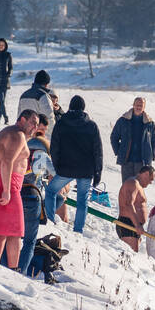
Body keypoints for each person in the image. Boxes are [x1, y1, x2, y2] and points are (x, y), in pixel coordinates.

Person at [0, 109, 40, 267]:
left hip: (1, 181)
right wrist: (7, 191)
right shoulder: (17, 135)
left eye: (37, 124)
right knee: (14, 231)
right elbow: (7, 162)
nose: (35, 127)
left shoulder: (11, 132)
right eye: (33, 122)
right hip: (6, 183)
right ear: (22, 120)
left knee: (3, 231)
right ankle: (12, 270)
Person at [49, 94, 104, 228]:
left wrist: (57, 166)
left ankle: (49, 221)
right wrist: (98, 173)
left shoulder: (61, 123)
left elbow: (54, 147)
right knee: (82, 202)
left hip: (65, 168)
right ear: (83, 108)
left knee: (51, 192)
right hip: (85, 170)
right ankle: (78, 230)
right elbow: (98, 152)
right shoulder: (91, 125)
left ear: (70, 107)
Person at [18, 123, 55, 275]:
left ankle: (6, 268)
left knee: (11, 236)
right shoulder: (43, 155)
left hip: (16, 194)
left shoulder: (21, 150)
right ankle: (21, 272)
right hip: (33, 196)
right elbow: (56, 174)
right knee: (29, 241)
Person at [110, 97, 155, 184]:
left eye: (141, 105)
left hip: (142, 162)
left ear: (144, 107)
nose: (138, 107)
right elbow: (114, 137)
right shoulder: (123, 120)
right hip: (127, 161)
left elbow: (154, 141)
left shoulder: (149, 123)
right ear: (133, 105)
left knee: (139, 187)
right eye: (137, 105)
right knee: (126, 186)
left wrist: (152, 155)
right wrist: (118, 151)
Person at [117, 164, 155, 252]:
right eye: (151, 179)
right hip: (128, 224)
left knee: (133, 257)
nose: (151, 182)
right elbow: (129, 204)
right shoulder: (132, 183)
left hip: (134, 225)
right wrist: (137, 224)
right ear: (145, 174)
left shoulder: (138, 185)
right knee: (128, 257)